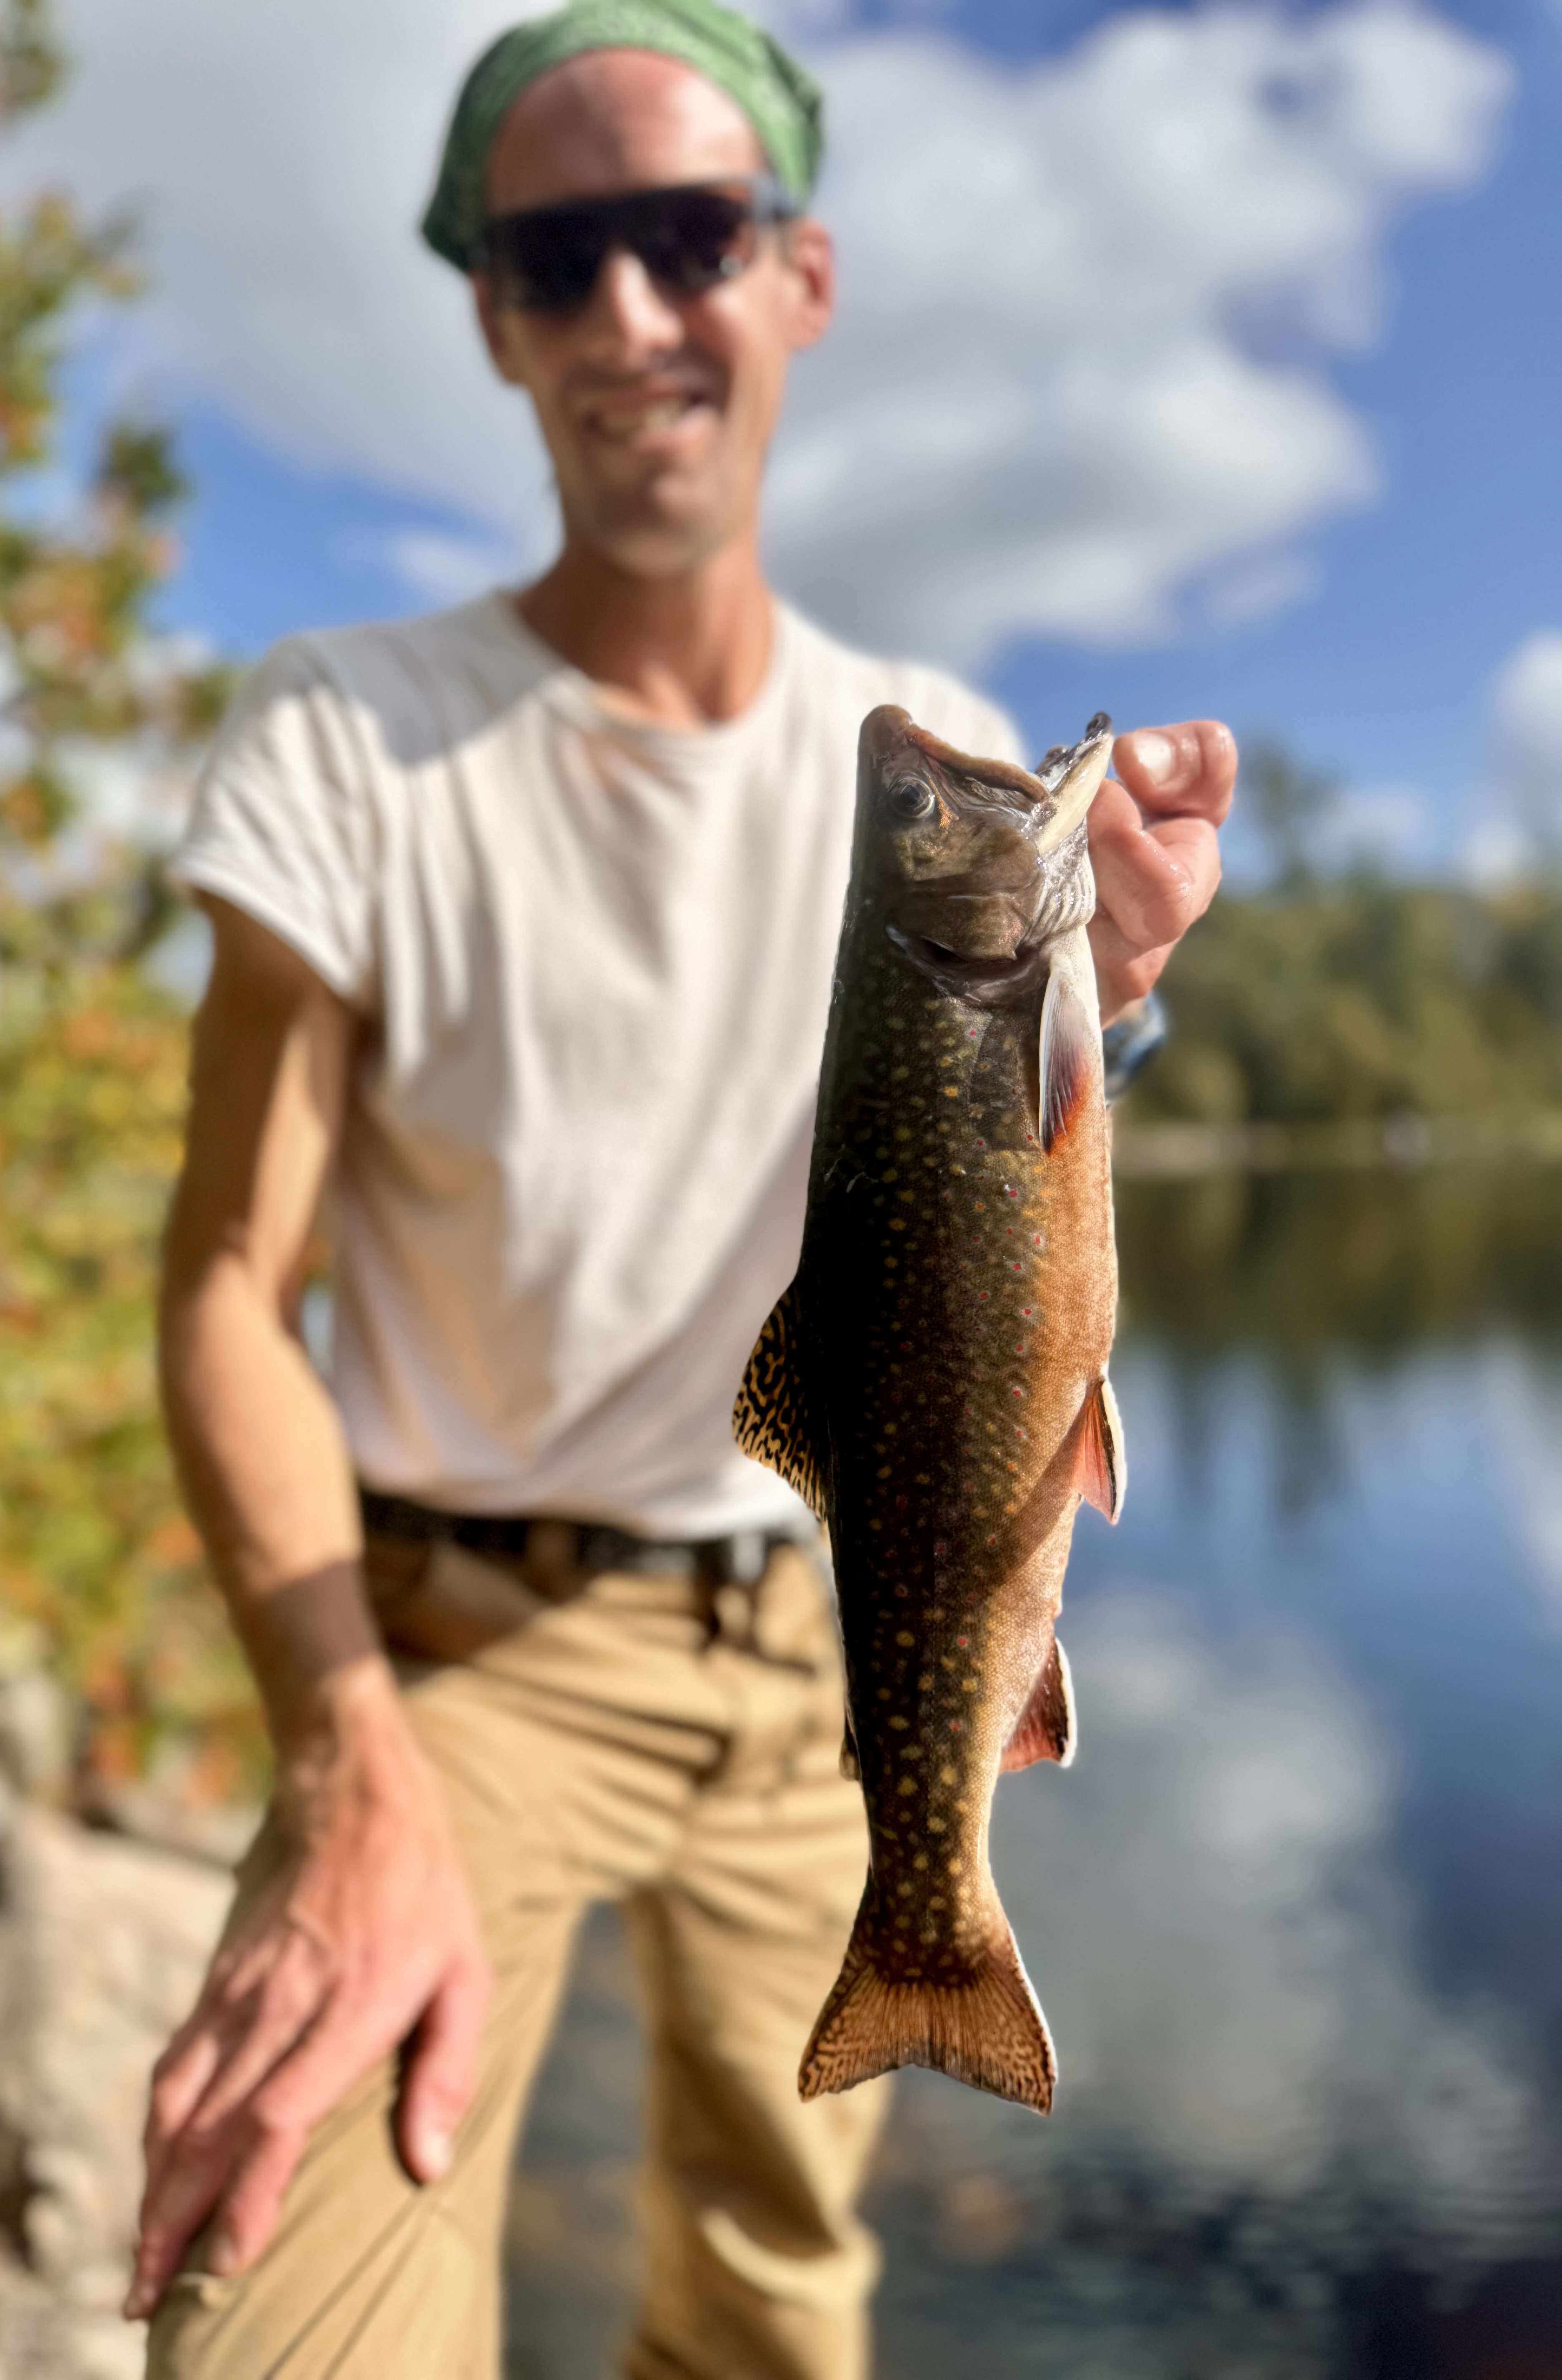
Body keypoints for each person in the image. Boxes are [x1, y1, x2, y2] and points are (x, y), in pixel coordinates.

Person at [128, 3, 1235, 2372]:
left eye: (689, 235)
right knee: (263, 2322)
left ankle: (919, 1923)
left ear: (797, 276)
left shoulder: (917, 718)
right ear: (496, 319)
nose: (631, 310)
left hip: (837, 1630)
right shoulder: (344, 725)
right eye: (560, 256)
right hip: (447, 1659)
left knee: (770, 2318)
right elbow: (231, 1279)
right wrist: (343, 1765)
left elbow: (1019, 1162)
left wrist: (1108, 994)